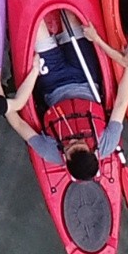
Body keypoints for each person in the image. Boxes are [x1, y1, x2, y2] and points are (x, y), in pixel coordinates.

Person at [10, 12, 115, 184]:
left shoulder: (50, 151)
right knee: (72, 17)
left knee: (35, 26)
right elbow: (121, 103)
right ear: (92, 151)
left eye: (70, 147)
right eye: (79, 143)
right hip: (85, 76)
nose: (73, 140)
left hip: (53, 84)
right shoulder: (106, 142)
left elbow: (18, 123)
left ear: (65, 160)